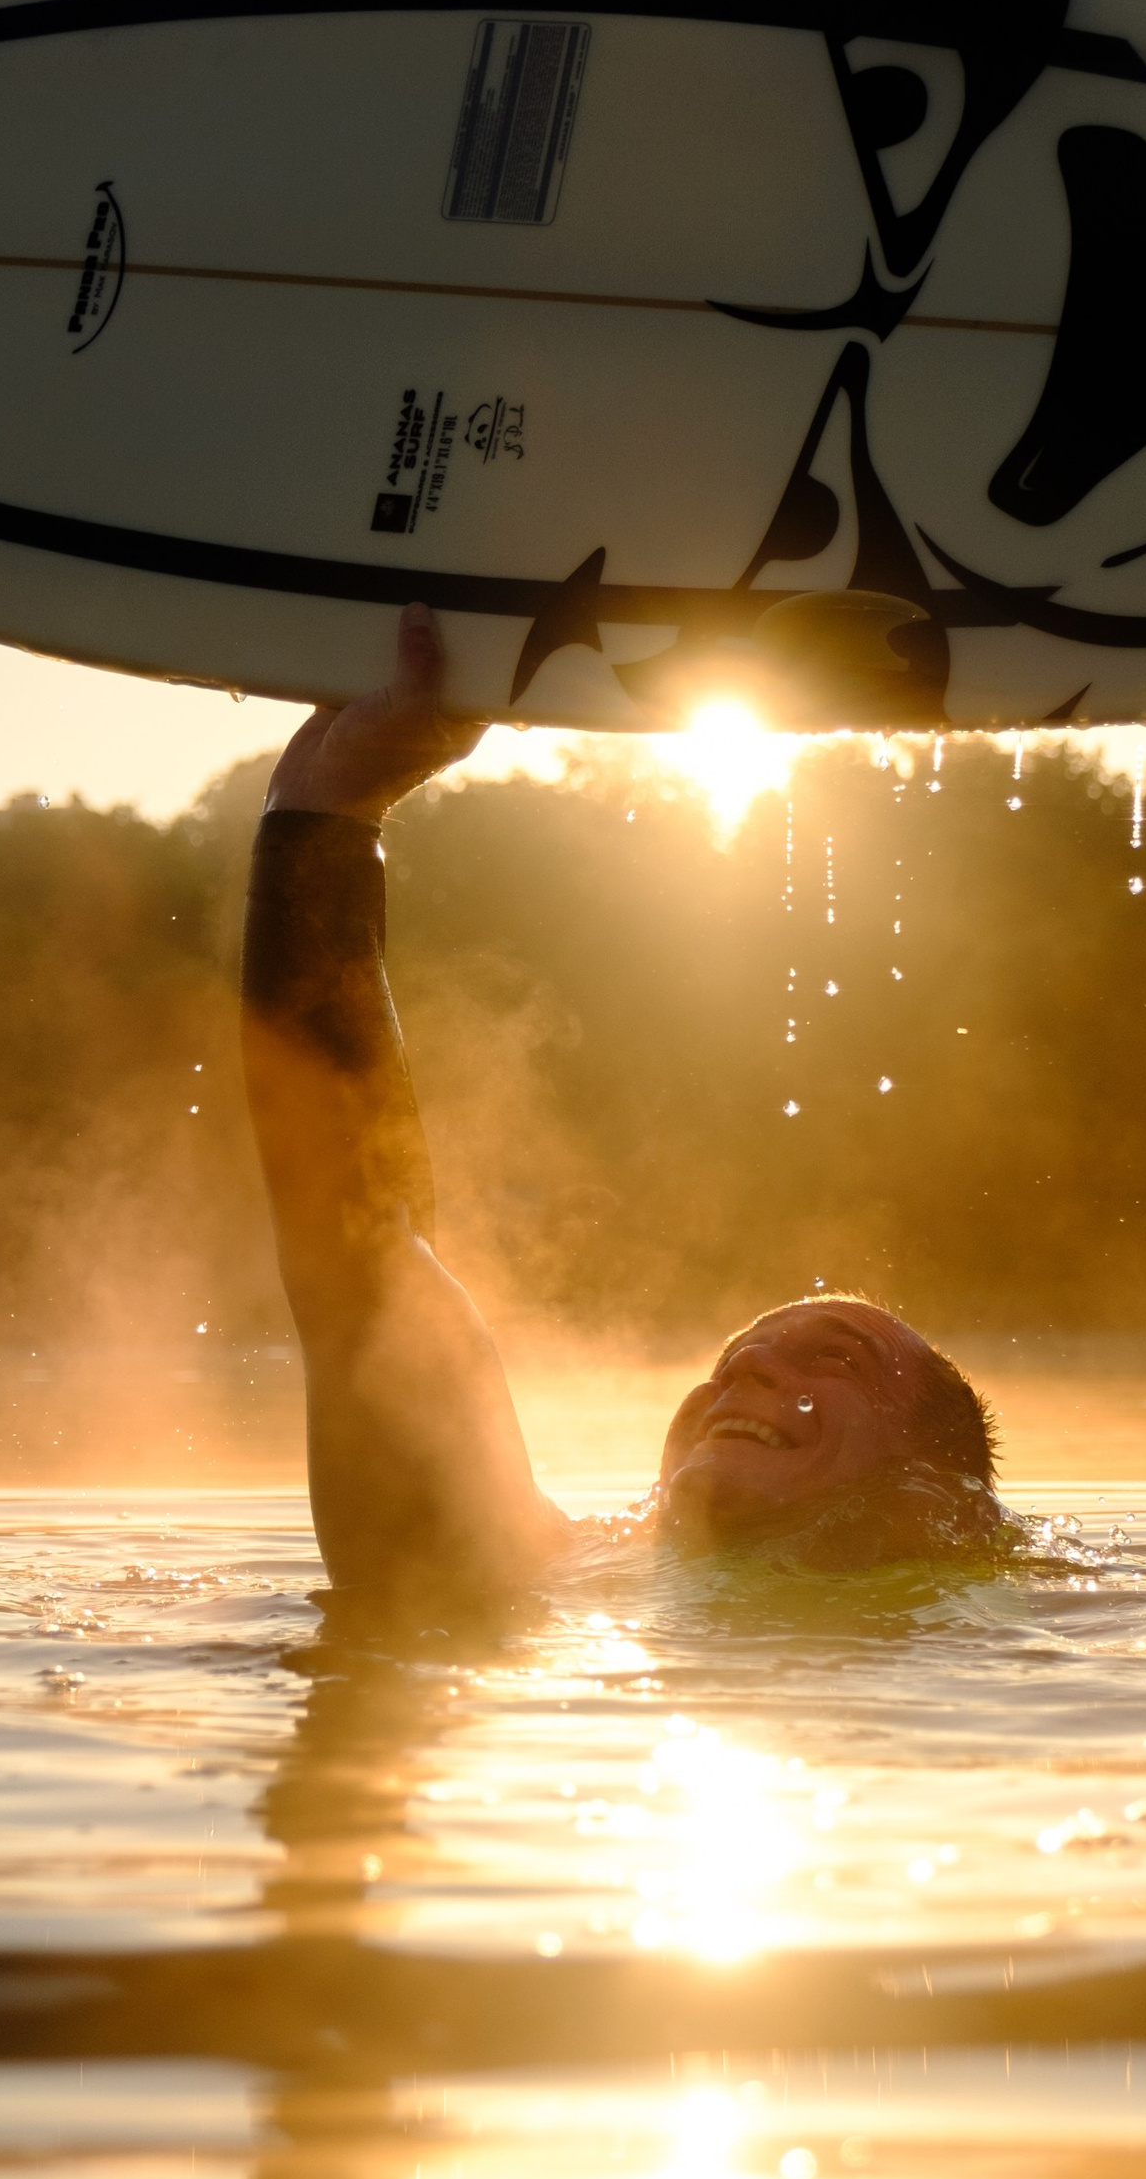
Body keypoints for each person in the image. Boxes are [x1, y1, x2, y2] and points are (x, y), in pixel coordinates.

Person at [242, 606, 1020, 1622]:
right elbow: (364, 1262)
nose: (741, 1372)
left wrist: (324, 815)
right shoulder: (523, 1568)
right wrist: (323, 810)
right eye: (731, 1364)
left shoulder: (1024, 1619)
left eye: (835, 1359)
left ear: (943, 1500)